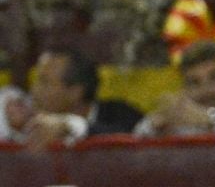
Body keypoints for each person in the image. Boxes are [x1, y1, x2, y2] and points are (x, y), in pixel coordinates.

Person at [0, 48, 143, 147]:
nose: (34, 90)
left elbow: (138, 140)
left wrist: (69, 125)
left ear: (75, 92)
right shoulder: (31, 121)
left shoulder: (121, 114)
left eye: (44, 82)